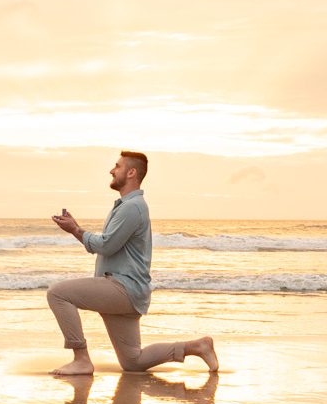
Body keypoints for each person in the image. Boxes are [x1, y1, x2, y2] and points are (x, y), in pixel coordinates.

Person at [48, 151, 218, 375]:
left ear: (131, 172)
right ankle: (196, 346)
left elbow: (106, 245)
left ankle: (81, 359)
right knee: (133, 362)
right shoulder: (127, 206)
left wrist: (75, 230)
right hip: (128, 290)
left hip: (122, 288)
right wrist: (76, 230)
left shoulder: (132, 207)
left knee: (57, 294)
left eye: (117, 166)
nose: (111, 170)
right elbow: (109, 244)